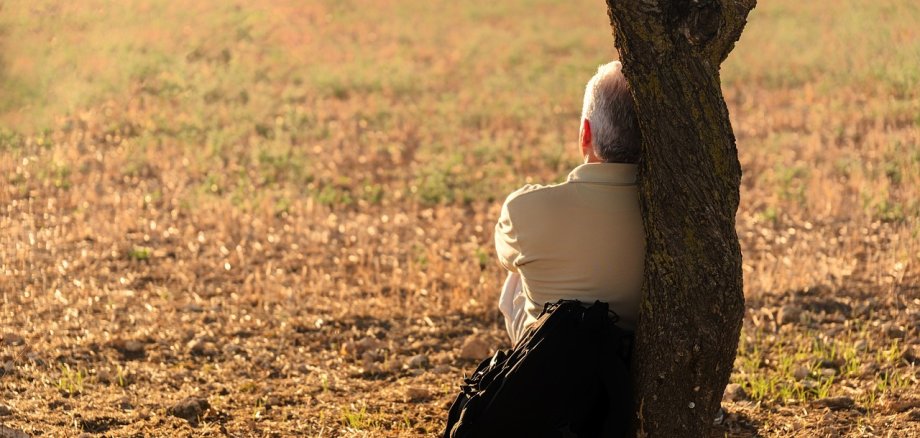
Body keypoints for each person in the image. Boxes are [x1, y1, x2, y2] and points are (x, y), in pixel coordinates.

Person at [495, 60, 645, 345]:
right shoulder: (673, 215)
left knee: (517, 274)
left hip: (550, 365)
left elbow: (505, 256)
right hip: (630, 365)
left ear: (585, 133)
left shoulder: (524, 209)